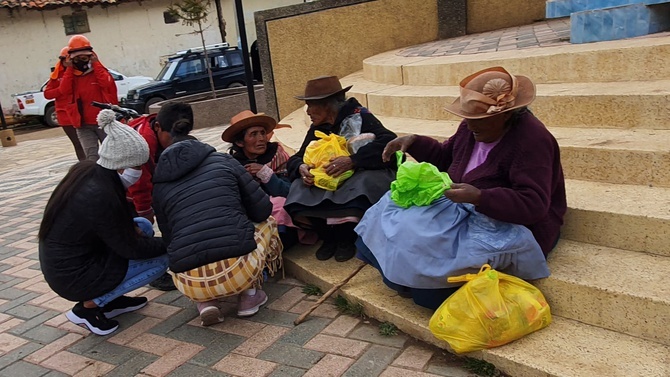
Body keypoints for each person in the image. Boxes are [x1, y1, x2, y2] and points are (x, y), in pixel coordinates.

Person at [355, 66, 567, 310]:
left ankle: (418, 285)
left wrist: (480, 197)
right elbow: (448, 158)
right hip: (468, 206)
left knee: (426, 258)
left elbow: (534, 204)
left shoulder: (533, 140)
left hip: (511, 221)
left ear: (505, 115)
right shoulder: (472, 126)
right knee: (393, 210)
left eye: (477, 121)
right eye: (468, 119)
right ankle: (407, 279)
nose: (468, 125)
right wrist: (414, 141)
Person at [38, 109, 168, 336]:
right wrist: (172, 242)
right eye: (137, 167)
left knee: (144, 226)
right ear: (120, 165)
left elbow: (124, 228)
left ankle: (111, 300)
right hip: (74, 275)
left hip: (79, 258)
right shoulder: (100, 194)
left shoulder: (90, 172)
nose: (139, 173)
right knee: (161, 260)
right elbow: (131, 248)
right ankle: (90, 307)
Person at [152, 102, 283, 326]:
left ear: (159, 129)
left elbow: (169, 237)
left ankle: (205, 303)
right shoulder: (224, 161)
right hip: (238, 271)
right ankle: (249, 296)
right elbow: (262, 209)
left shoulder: (159, 184)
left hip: (188, 281)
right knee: (267, 222)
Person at [284, 76, 397, 262]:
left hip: (358, 173)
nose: (308, 111)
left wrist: (353, 160)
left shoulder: (359, 116)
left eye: (312, 105)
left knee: (360, 185)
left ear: (328, 104)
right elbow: (297, 157)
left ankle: (346, 237)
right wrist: (301, 167)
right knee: (298, 187)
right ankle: (328, 236)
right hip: (331, 178)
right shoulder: (318, 127)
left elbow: (389, 141)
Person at [224, 110, 312, 248]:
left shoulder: (278, 156)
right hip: (252, 219)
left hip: (283, 220)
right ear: (240, 142)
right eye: (254, 134)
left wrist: (266, 174)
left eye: (263, 133)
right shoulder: (233, 165)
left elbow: (292, 190)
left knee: (278, 204)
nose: (261, 139)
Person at [59, 34, 118, 161]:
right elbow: (64, 90)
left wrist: (96, 64)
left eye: (84, 57)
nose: (81, 60)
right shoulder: (70, 76)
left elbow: (106, 83)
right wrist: (69, 69)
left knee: (112, 156)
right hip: (83, 124)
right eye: (77, 58)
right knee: (91, 158)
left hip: (103, 122)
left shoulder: (99, 71)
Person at [43, 46, 86, 161]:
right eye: (64, 59)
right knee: (78, 143)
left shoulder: (81, 72)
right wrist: (60, 91)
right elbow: (47, 94)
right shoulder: (57, 75)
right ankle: (85, 167)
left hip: (80, 112)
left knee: (88, 142)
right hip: (65, 115)